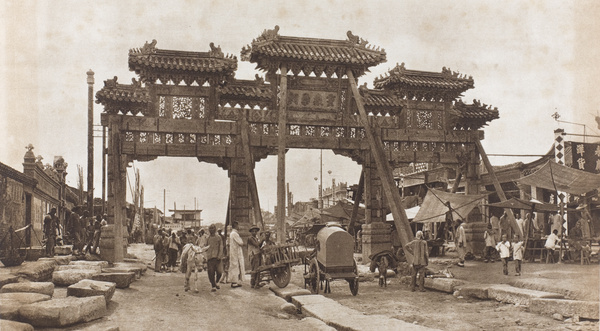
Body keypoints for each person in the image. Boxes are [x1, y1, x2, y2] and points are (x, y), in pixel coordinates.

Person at [205, 224, 224, 292]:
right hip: (210, 258)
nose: (211, 230)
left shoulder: (218, 237)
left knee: (219, 272)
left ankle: (217, 281)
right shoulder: (207, 238)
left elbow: (221, 247)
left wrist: (219, 255)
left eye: (213, 228)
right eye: (210, 229)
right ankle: (213, 286)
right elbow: (205, 247)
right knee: (211, 273)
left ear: (215, 229)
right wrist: (205, 256)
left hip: (217, 258)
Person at [228, 221, 245, 288]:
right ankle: (234, 282)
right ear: (236, 226)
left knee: (234, 267)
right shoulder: (234, 234)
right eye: (238, 225)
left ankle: (235, 282)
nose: (239, 227)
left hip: (233, 252)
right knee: (235, 267)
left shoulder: (232, 233)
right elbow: (241, 243)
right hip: (236, 252)